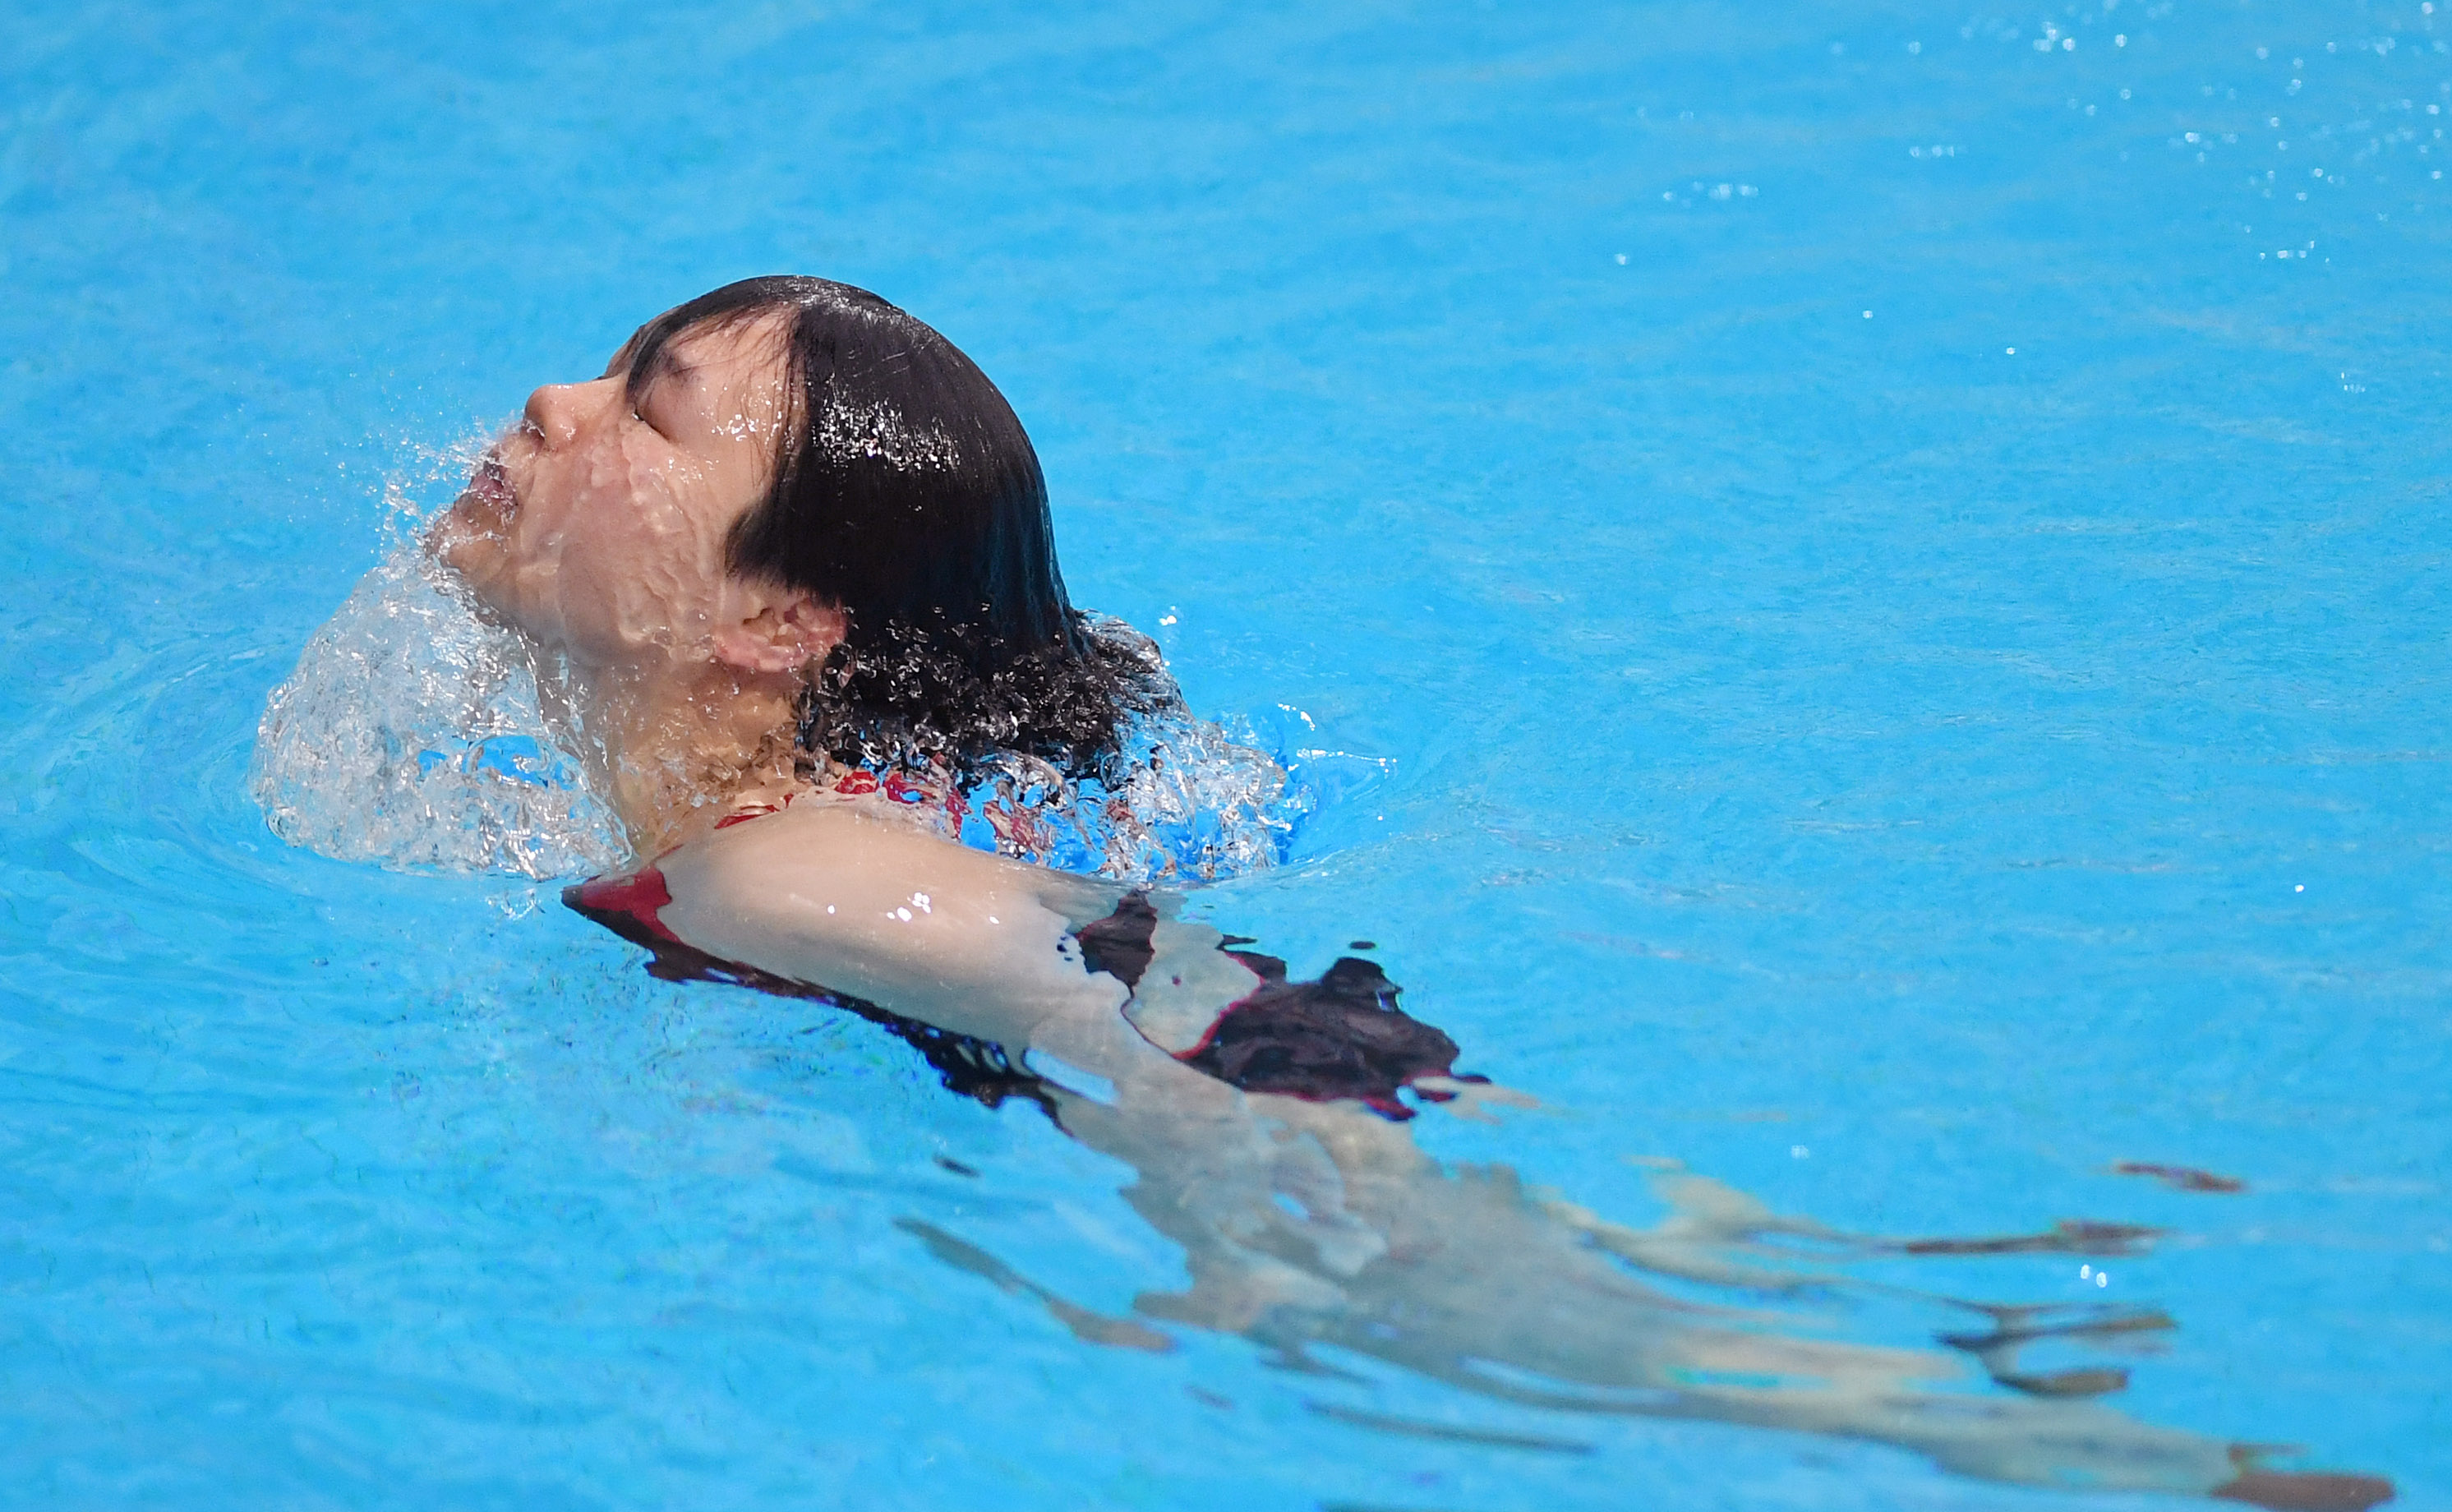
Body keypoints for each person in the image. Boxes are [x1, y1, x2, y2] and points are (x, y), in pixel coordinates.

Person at [427, 275, 2390, 1510]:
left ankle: (2133, 1456)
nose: (549, 400)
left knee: (1735, 1388)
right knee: (1642, 1278)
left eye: (644, 403)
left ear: (780, 623)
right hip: (1279, 1015)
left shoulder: (781, 863)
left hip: (1260, 1093)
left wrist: (1247, 1231)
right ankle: (1971, 1302)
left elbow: (1074, 1009)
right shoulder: (790, 817)